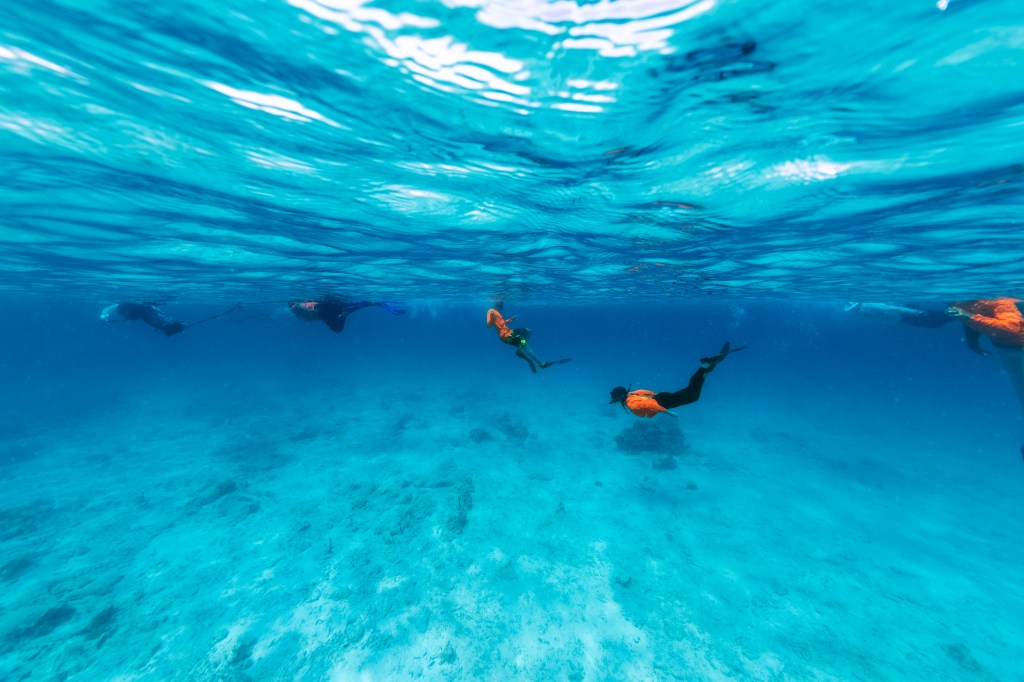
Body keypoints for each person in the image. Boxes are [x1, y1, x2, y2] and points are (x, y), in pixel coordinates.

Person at [947, 298, 1024, 460]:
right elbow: (971, 315)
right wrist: (972, 338)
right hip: (1009, 352)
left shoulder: (1001, 302)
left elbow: (1012, 328)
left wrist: (969, 318)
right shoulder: (963, 301)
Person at [610, 342, 743, 418]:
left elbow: (648, 405)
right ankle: (707, 367)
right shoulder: (634, 393)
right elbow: (650, 393)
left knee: (694, 393)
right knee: (694, 385)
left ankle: (706, 366)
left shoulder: (631, 402)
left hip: (668, 401)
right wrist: (657, 398)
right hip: (666, 397)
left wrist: (668, 412)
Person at [485, 302, 570, 373]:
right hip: (506, 336)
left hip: (510, 331)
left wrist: (510, 319)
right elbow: (489, 325)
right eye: (501, 303)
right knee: (525, 344)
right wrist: (491, 316)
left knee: (528, 331)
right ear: (496, 303)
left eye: (502, 304)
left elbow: (501, 323)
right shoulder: (491, 311)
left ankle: (520, 350)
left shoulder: (497, 312)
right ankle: (541, 364)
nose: (502, 305)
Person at [289, 297, 407, 333]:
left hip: (329, 311)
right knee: (368, 303)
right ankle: (384, 305)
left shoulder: (302, 309)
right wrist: (343, 315)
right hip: (331, 311)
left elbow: (301, 309)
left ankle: (384, 304)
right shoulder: (304, 309)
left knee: (368, 303)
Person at [100, 302, 188, 336]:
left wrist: (104, 317)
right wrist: (104, 317)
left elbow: (110, 308)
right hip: (142, 311)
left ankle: (176, 327)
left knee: (157, 320)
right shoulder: (145, 308)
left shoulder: (143, 307)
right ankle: (176, 327)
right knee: (157, 320)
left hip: (142, 311)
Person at [844, 302, 956, 329]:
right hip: (900, 319)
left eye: (854, 309)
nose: (855, 311)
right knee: (935, 324)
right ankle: (956, 313)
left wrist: (914, 312)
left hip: (904, 314)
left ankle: (957, 311)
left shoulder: (870, 305)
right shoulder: (862, 314)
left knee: (936, 320)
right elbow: (874, 320)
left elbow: (891, 308)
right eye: (853, 310)